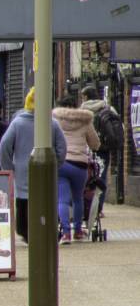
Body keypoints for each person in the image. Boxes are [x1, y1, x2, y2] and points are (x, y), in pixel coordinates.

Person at [0, 88, 68, 245]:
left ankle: (25, 231)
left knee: (23, 203)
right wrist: (55, 165)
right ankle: (48, 230)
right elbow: (62, 149)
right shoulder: (53, 124)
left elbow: (4, 147)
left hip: (22, 172)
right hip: (46, 173)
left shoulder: (17, 123)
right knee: (46, 200)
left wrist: (9, 168)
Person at [54, 95, 100, 244]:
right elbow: (95, 144)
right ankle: (78, 231)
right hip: (79, 165)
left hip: (61, 163)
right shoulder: (85, 121)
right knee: (78, 198)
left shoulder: (55, 120)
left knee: (62, 199)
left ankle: (65, 233)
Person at [80, 86, 123, 232]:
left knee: (86, 178)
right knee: (101, 178)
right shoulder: (107, 108)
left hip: (85, 149)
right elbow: (118, 125)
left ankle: (86, 207)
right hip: (103, 149)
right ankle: (98, 209)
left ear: (86, 97)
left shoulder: (81, 111)